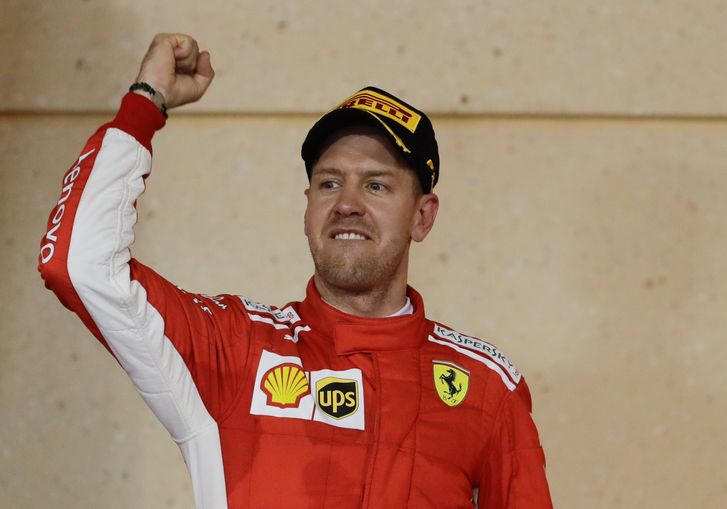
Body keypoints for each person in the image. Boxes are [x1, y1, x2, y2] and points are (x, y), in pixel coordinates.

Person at [38, 33, 553, 509]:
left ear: (422, 216)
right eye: (329, 184)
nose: (347, 204)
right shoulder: (233, 348)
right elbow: (78, 264)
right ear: (306, 208)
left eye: (375, 186)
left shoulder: (486, 387)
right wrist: (145, 104)